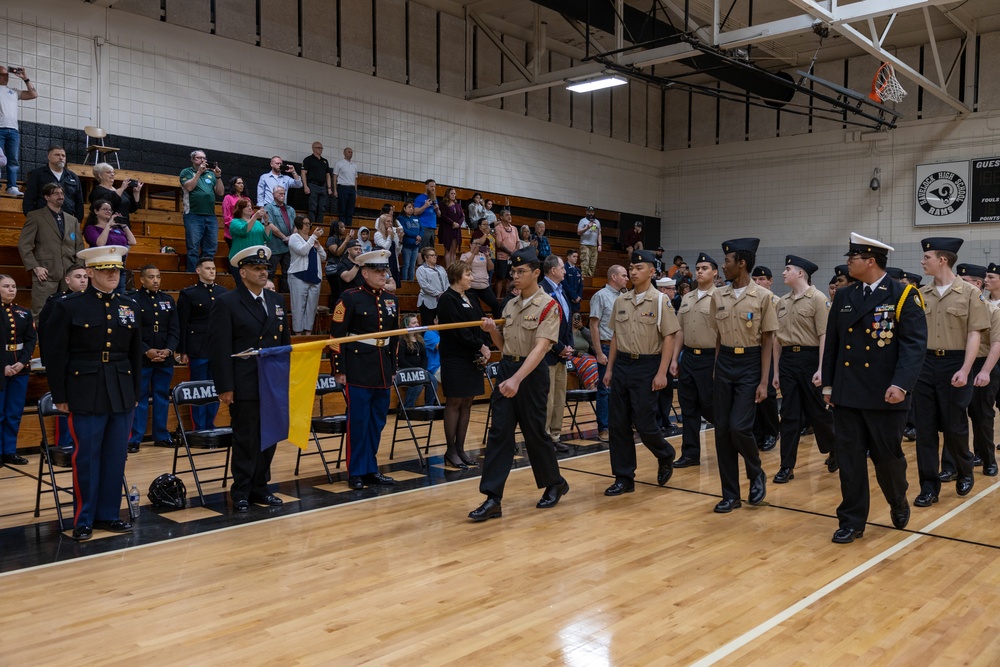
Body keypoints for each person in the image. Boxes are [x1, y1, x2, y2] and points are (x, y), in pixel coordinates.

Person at [822, 233, 927, 543]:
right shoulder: (844, 296)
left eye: (853, 257)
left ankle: (898, 498)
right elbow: (833, 345)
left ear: (870, 261)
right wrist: (828, 384)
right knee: (850, 460)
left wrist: (901, 385)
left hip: (886, 394)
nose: (848, 262)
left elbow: (914, 346)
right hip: (848, 392)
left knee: (887, 460)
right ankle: (852, 521)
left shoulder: (903, 294)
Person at [46, 245, 141, 540]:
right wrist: (60, 394)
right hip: (84, 388)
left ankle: (109, 514)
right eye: (105, 270)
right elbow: (54, 354)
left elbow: (135, 353)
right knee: (86, 456)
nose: (113, 274)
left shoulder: (129, 305)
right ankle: (84, 518)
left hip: (121, 388)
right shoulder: (69, 306)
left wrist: (136, 390)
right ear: (89, 273)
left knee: (115, 455)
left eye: (116, 269)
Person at [468, 248, 569, 522]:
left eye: (521, 271)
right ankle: (492, 498)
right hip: (508, 369)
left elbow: (540, 349)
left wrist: (517, 379)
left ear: (536, 273)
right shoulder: (510, 305)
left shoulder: (549, 306)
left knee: (536, 433)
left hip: (531, 375)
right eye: (513, 272)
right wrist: (492, 333)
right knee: (499, 433)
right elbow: (506, 346)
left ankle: (554, 483)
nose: (515, 276)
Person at [210, 245, 290, 512]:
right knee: (246, 438)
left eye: (265, 268)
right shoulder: (227, 302)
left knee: (270, 437)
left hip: (272, 381)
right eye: (256, 268)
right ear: (242, 272)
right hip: (244, 380)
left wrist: (285, 378)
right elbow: (219, 348)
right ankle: (242, 490)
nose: (262, 272)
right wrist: (225, 387)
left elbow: (285, 344)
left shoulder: (277, 301)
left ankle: (261, 487)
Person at [913, 237, 990, 508]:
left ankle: (964, 468)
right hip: (924, 364)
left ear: (942, 260)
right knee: (925, 430)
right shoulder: (921, 295)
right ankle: (928, 486)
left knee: (955, 427)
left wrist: (966, 369)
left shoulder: (969, 293)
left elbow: (974, 333)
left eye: (927, 257)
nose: (923, 262)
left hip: (955, 363)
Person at [602, 251, 680, 496]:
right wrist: (610, 368)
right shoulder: (621, 301)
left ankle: (665, 453)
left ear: (651, 272)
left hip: (648, 366)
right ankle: (624, 477)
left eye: (638, 267)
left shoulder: (660, 301)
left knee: (645, 425)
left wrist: (662, 372)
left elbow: (669, 336)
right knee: (618, 425)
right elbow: (616, 336)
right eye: (631, 267)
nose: (633, 272)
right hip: (623, 364)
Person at [710, 238, 778, 514]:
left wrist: (764, 381)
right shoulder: (719, 296)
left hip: (750, 363)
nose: (723, 266)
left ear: (741, 263)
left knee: (739, 427)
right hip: (725, 362)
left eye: (727, 261)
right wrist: (717, 367)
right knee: (722, 431)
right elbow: (717, 336)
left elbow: (767, 340)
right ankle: (730, 494)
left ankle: (756, 472)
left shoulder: (763, 297)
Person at [330, 249, 399, 490]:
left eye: (385, 270)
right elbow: (335, 337)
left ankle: (371, 468)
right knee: (358, 422)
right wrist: (339, 369)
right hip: (358, 368)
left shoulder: (391, 300)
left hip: (382, 369)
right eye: (378, 270)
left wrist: (393, 368)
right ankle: (356, 471)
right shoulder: (349, 298)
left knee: (377, 422)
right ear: (365, 272)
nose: (383, 274)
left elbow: (395, 338)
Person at [771, 255, 836, 484]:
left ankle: (835, 448)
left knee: (817, 412)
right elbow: (777, 339)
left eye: (787, 269)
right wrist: (777, 371)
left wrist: (821, 368)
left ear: (800, 273)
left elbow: (824, 336)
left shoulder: (818, 299)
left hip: (810, 360)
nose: (783, 273)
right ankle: (786, 466)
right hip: (788, 361)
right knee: (788, 415)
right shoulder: (782, 302)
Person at [437, 260, 491, 468]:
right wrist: (480, 346)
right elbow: (458, 332)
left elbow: (481, 323)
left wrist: (485, 344)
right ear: (457, 276)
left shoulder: (471, 297)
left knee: (468, 401)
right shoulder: (447, 299)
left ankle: (460, 448)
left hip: (472, 357)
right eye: (468, 274)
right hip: (455, 357)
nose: (472, 277)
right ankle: (450, 450)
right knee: (455, 402)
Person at [670, 252, 718, 467]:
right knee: (687, 407)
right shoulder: (687, 297)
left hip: (710, 359)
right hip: (689, 357)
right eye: (697, 268)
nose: (699, 271)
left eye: (704, 268)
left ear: (715, 272)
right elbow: (679, 330)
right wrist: (674, 359)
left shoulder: (721, 296)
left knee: (710, 407)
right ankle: (690, 454)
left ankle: (735, 440)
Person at [952, 264, 1000, 478]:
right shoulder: (961, 306)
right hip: (958, 363)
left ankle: (988, 458)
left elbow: (996, 343)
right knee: (955, 416)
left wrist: (987, 370)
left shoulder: (991, 310)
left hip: (983, 363)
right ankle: (960, 461)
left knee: (981, 415)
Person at [127, 265, 179, 453]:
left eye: (158, 277)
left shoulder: (167, 300)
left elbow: (174, 329)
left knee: (162, 397)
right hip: (142, 358)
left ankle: (161, 435)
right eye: (151, 277)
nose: (155, 280)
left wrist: (169, 350)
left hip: (164, 358)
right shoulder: (132, 300)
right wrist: (145, 350)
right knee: (139, 398)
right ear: (142, 280)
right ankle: (135, 438)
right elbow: (131, 331)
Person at [18, 183, 85, 318]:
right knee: (40, 313)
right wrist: (35, 267)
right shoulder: (35, 216)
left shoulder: (72, 220)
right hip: (46, 272)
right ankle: (38, 339)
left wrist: (78, 270)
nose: (60, 196)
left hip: (69, 273)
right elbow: (24, 245)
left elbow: (79, 247)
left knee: (70, 313)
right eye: (56, 194)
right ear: (47, 197)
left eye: (62, 193)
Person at [177, 257, 227, 431]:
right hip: (197, 347)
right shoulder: (189, 294)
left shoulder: (223, 292)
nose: (212, 271)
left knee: (215, 387)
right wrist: (182, 350)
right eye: (207, 268)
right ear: (198, 271)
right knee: (198, 388)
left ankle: (210, 424)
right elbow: (183, 323)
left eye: (213, 268)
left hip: (218, 348)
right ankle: (199, 427)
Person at [539, 255, 574, 452]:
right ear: (553, 270)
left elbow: (566, 323)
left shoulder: (562, 290)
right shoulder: (541, 290)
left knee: (560, 397)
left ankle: (555, 436)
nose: (565, 271)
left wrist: (568, 346)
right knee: (548, 398)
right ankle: (544, 439)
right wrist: (558, 346)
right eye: (562, 268)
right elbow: (543, 324)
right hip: (548, 353)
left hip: (562, 353)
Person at [590, 264, 628, 441]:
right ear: (614, 277)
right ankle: (603, 427)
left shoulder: (625, 296)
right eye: (624, 275)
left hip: (623, 348)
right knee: (604, 389)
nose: (627, 278)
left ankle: (618, 425)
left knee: (620, 389)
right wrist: (598, 352)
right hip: (606, 346)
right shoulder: (600, 296)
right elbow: (594, 325)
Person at [0, 275, 33, 465]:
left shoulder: (23, 312)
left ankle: (9, 451)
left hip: (19, 368)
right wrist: (3, 365)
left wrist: (22, 362)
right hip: (1, 368)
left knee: (13, 412)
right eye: (6, 286)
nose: (11, 290)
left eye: (13, 286)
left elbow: (30, 341)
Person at [749, 265, 779, 452]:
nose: (758, 282)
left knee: (767, 394)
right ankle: (757, 432)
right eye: (755, 279)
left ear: (770, 281)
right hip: (753, 350)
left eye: (762, 279)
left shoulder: (776, 301)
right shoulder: (751, 299)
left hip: (771, 349)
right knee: (753, 393)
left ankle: (771, 431)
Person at [179, 149, 224, 273]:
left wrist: (218, 176)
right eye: (199, 158)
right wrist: (199, 172)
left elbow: (220, 192)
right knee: (193, 247)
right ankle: (193, 275)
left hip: (210, 216)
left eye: (204, 158)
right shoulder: (187, 172)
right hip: (193, 215)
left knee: (210, 248)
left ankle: (206, 274)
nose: (203, 160)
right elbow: (188, 187)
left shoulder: (210, 174)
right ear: (193, 159)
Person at [83, 199, 137, 293]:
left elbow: (132, 241)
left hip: (119, 266)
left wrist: (124, 225)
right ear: (96, 211)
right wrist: (108, 225)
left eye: (110, 210)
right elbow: (100, 243)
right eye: (105, 209)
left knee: (119, 295)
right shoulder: (91, 228)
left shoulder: (117, 229)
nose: (108, 211)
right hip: (101, 267)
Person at [285, 215, 327, 335]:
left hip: (315, 278)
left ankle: (308, 333)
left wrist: (318, 246)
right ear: (299, 225)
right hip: (298, 276)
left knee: (312, 308)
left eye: (309, 223)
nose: (309, 226)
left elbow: (324, 257)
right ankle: (298, 334)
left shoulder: (312, 240)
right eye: (306, 223)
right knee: (298, 307)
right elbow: (302, 251)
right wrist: (313, 237)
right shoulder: (294, 237)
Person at [0, 65, 37, 196]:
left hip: (13, 129)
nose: (6, 77)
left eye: (6, 74)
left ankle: (11, 186)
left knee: (13, 159)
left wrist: (25, 78)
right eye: (2, 74)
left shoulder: (13, 91)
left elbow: (33, 94)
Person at [23, 145, 84, 218]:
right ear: (49, 156)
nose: (61, 158)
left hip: (67, 219)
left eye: (63, 156)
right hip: (44, 219)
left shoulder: (73, 177)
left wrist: (78, 220)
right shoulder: (37, 174)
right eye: (57, 155)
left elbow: (79, 201)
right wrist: (32, 217)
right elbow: (29, 198)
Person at [228, 197, 271, 289]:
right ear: (240, 209)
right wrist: (255, 216)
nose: (250, 208)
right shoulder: (235, 222)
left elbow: (267, 237)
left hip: (256, 259)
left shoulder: (258, 224)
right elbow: (244, 231)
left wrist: (267, 221)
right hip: (240, 259)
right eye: (246, 206)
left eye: (251, 206)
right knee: (242, 286)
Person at [398, 312, 436, 409]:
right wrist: (414, 369)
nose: (417, 325)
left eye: (417, 322)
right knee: (417, 382)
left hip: (419, 369)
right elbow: (401, 359)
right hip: (405, 369)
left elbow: (424, 357)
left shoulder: (419, 339)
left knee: (432, 380)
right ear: (407, 325)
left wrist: (422, 369)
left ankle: (429, 405)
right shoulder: (402, 340)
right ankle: (408, 406)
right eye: (414, 323)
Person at [262, 185, 296, 292]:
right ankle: (268, 293)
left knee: (287, 273)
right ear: (273, 194)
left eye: (283, 193)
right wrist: (284, 237)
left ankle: (284, 296)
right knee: (270, 272)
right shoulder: (268, 207)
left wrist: (291, 237)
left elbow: (296, 225)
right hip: (275, 246)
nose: (282, 196)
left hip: (288, 246)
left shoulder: (290, 209)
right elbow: (269, 225)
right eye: (280, 193)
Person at [89, 162, 142, 227]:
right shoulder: (98, 190)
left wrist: (136, 192)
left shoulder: (120, 191)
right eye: (109, 172)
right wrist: (122, 188)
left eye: (113, 172)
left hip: (124, 227)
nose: (112, 174)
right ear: (100, 175)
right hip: (108, 227)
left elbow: (132, 209)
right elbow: (110, 202)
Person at [459, 235, 501, 318]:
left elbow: (491, 268)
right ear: (470, 245)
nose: (477, 245)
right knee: (476, 308)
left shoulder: (483, 256)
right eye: (475, 243)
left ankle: (498, 324)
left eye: (479, 244)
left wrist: (488, 256)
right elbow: (463, 266)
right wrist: (474, 254)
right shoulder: (465, 255)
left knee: (495, 304)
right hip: (471, 287)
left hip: (484, 286)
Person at [301, 141, 332, 225]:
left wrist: (329, 188)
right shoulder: (308, 159)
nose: (320, 149)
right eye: (318, 148)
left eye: (321, 148)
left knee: (322, 207)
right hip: (312, 185)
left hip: (323, 186)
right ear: (313, 148)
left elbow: (328, 175)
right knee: (312, 207)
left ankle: (319, 225)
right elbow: (303, 173)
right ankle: (312, 224)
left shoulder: (324, 161)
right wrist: (305, 186)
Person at [416, 246, 448, 325]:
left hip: (442, 301)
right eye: (432, 255)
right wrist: (438, 293)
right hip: (428, 302)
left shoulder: (441, 268)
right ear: (426, 258)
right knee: (428, 324)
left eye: (435, 255)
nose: (435, 257)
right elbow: (424, 285)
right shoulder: (421, 269)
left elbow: (447, 282)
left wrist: (446, 293)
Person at [325, 221, 354, 306]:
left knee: (343, 291)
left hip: (342, 268)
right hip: (333, 269)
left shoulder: (344, 240)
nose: (344, 229)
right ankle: (333, 310)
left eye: (344, 227)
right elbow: (337, 252)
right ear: (335, 228)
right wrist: (346, 241)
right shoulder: (331, 239)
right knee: (336, 291)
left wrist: (349, 241)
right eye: (341, 227)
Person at [492, 209, 519, 299]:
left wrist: (515, 251)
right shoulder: (498, 228)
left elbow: (518, 242)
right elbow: (499, 244)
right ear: (501, 217)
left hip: (512, 259)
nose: (509, 217)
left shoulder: (514, 228)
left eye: (510, 215)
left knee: (510, 279)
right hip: (502, 258)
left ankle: (508, 297)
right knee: (500, 279)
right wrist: (510, 252)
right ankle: (498, 298)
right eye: (507, 215)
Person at [374, 204, 403, 286]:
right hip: (384, 261)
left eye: (391, 221)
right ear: (383, 222)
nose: (390, 223)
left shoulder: (393, 234)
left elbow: (397, 250)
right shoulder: (378, 234)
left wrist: (400, 240)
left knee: (393, 286)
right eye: (388, 221)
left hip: (393, 260)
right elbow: (385, 247)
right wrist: (389, 236)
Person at [221, 176, 248, 265]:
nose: (241, 185)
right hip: (232, 232)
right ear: (233, 185)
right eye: (238, 183)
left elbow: (250, 215)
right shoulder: (228, 198)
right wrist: (238, 226)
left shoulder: (247, 199)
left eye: (242, 183)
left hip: (245, 231)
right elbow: (227, 217)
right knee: (235, 255)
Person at [439, 187, 465, 268]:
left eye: (454, 193)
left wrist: (458, 224)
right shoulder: (443, 204)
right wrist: (452, 223)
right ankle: (448, 267)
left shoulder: (457, 205)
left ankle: (453, 268)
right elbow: (444, 216)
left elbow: (462, 216)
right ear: (447, 194)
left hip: (456, 229)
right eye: (451, 193)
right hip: (447, 228)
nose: (453, 195)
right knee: (448, 249)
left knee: (454, 250)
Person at [332, 147, 358, 226]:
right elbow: (335, 177)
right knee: (342, 209)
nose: (350, 153)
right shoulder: (339, 164)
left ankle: (349, 226)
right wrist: (335, 190)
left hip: (351, 188)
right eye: (349, 152)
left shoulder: (354, 165)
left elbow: (355, 179)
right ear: (344, 153)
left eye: (351, 152)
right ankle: (342, 227)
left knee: (350, 210)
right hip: (342, 187)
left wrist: (355, 191)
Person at [398, 200, 422, 281]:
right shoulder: (401, 218)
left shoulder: (416, 218)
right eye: (409, 207)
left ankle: (411, 281)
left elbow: (421, 229)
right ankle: (404, 281)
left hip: (416, 245)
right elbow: (404, 229)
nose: (411, 209)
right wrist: (415, 236)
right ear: (404, 208)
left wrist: (420, 236)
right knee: (406, 264)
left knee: (412, 265)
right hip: (407, 244)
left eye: (412, 207)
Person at [414, 179, 440, 251]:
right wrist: (425, 206)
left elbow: (439, 215)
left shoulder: (434, 198)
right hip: (424, 226)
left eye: (434, 186)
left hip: (432, 227)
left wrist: (437, 209)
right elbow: (415, 212)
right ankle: (420, 262)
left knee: (430, 250)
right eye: (431, 186)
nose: (433, 188)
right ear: (426, 186)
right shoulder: (420, 198)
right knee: (422, 249)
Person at [577, 207, 602, 277]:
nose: (591, 213)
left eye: (592, 212)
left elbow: (599, 233)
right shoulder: (582, 221)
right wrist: (587, 227)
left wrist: (600, 244)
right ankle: (584, 280)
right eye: (589, 212)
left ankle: (590, 280)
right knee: (585, 263)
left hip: (594, 246)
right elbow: (578, 232)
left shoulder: (597, 222)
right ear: (586, 212)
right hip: (585, 245)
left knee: (592, 265)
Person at [563, 249, 583, 315]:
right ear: (568, 257)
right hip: (568, 299)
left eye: (577, 257)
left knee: (576, 321)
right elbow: (565, 285)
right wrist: (573, 296)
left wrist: (579, 296)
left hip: (577, 301)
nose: (576, 258)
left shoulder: (578, 270)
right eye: (574, 256)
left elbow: (581, 284)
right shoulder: (564, 269)